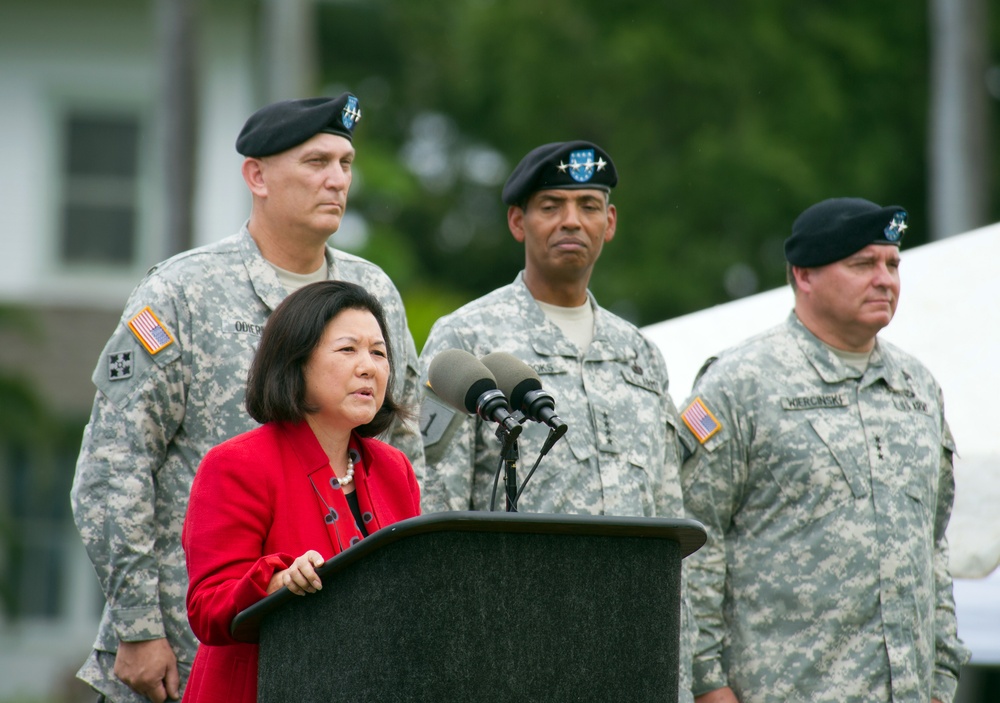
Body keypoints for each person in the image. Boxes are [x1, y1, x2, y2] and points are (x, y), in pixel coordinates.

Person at [70, 93, 425, 702]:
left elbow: (403, 448)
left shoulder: (373, 291)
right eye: (316, 162)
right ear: (256, 176)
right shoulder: (182, 291)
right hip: (189, 637)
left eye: (345, 162)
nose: (337, 179)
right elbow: (114, 466)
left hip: (340, 648)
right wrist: (136, 628)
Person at [417, 140, 695, 701]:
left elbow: (668, 513)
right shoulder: (465, 337)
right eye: (551, 205)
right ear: (518, 221)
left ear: (610, 222)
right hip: (518, 644)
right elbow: (435, 505)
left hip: (635, 644)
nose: (572, 220)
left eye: (589, 205)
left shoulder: (640, 351)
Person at [678, 198, 970, 703]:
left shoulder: (918, 388)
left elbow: (934, 545)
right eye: (863, 264)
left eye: (893, 264)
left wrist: (941, 676)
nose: (885, 280)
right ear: (804, 275)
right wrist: (709, 685)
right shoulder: (740, 384)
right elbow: (691, 542)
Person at [181, 280, 421, 702]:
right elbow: (207, 608)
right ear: (296, 361)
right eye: (348, 350)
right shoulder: (236, 465)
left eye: (379, 352)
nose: (369, 367)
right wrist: (276, 583)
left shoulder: (394, 468)